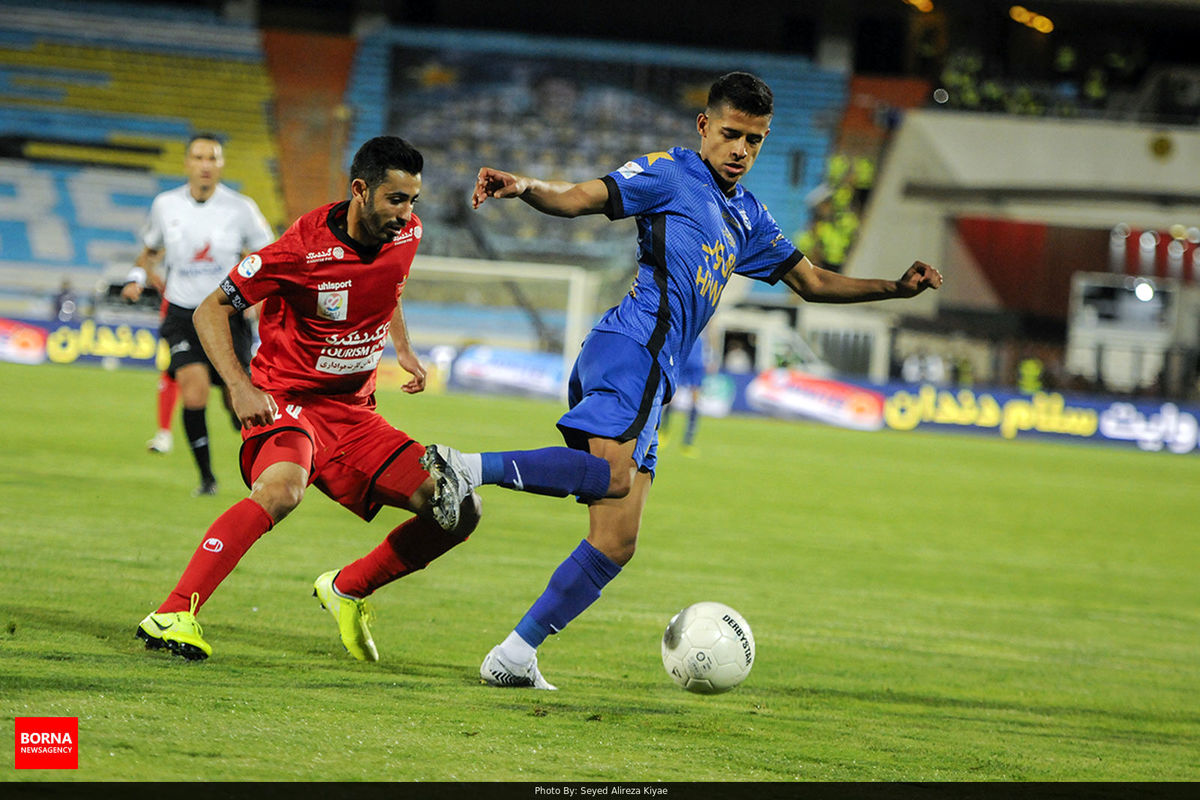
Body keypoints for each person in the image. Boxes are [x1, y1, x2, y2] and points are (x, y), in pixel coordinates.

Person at [421, 72, 942, 689]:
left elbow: (815, 282)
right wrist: (528, 187)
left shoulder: (749, 216)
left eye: (755, 140)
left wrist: (895, 287)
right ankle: (465, 466)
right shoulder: (671, 174)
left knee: (616, 540)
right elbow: (583, 196)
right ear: (704, 127)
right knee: (613, 477)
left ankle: (513, 655)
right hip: (631, 347)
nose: (742, 150)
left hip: (655, 370)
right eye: (731, 134)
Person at [134, 136, 481, 663]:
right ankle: (174, 611)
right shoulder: (298, 250)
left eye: (413, 201)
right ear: (360, 190)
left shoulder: (406, 233)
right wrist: (241, 386)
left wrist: (403, 348)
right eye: (395, 199)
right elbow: (209, 310)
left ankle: (347, 588)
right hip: (286, 400)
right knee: (282, 489)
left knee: (459, 508)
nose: (406, 213)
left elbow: (389, 289)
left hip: (354, 415)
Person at [121, 133, 275, 493]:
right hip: (181, 313)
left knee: (237, 399)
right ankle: (207, 479)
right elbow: (149, 250)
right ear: (187, 163)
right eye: (199, 157)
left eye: (212, 158)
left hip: (226, 313)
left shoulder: (242, 208)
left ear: (221, 165)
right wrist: (136, 276)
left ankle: (264, 462)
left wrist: (257, 293)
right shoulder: (165, 205)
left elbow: (267, 255)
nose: (205, 164)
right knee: (194, 392)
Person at [658, 335, 709, 456]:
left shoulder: (706, 325)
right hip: (683, 359)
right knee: (672, 397)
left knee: (695, 402)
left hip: (697, 363)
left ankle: (688, 441)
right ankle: (663, 432)